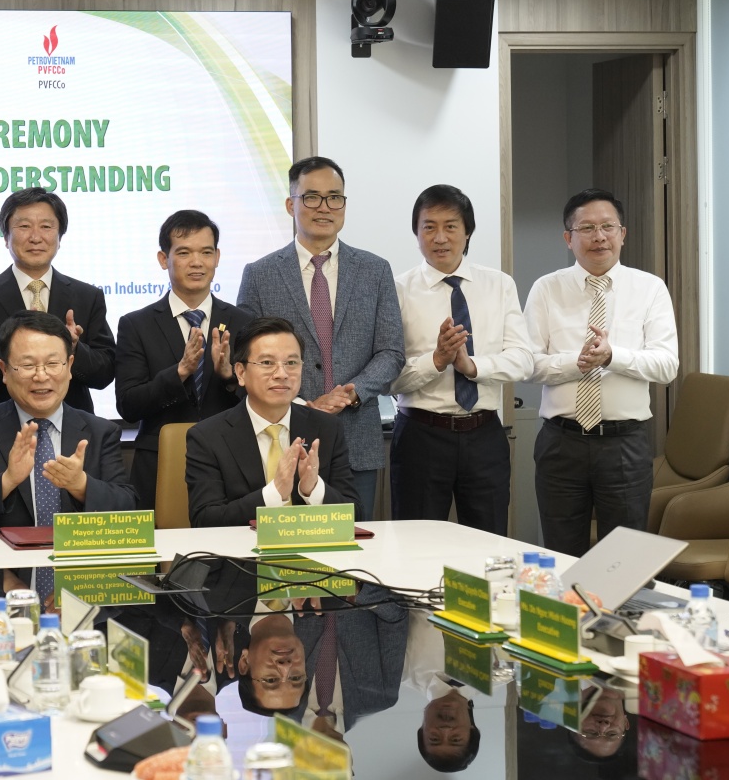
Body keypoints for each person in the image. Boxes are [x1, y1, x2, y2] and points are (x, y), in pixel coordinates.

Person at [237, 157, 404, 521]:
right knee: (281, 543)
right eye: (311, 197)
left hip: (356, 437)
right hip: (282, 438)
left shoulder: (375, 270)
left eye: (335, 197)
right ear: (290, 204)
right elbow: (248, 356)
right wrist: (300, 403)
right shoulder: (260, 274)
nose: (325, 207)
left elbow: (391, 352)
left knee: (355, 542)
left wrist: (350, 393)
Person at [524, 188, 678, 555]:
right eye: (587, 228)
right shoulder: (547, 288)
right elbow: (526, 363)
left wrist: (613, 357)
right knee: (561, 554)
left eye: (608, 227)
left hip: (624, 444)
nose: (599, 237)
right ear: (568, 238)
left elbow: (667, 365)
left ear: (623, 234)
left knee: (622, 559)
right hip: (561, 443)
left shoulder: (649, 288)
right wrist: (573, 363)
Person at [389, 185, 533, 535]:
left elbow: (523, 360)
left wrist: (473, 367)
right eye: (429, 227)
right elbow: (387, 378)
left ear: (467, 231)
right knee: (417, 544)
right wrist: (436, 360)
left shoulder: (499, 285)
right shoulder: (396, 290)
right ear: (416, 233)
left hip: (484, 434)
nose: (440, 238)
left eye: (451, 226)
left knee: (489, 541)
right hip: (420, 435)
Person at [0, 309, 136, 537]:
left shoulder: (101, 432)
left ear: (69, 366)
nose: (41, 376)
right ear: (4, 370)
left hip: (75, 557)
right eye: (28, 365)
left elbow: (128, 506)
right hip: (4, 559)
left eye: (53, 363)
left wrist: (81, 485)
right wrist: (6, 481)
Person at [115, 210, 253, 509]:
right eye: (184, 252)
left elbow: (260, 400)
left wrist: (230, 377)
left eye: (206, 252)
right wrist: (179, 373)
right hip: (160, 463)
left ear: (217, 257)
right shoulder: (136, 325)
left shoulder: (243, 322)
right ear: (163, 259)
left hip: (230, 464)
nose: (196, 262)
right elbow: (128, 405)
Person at [0, 187, 116, 413]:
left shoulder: (87, 296)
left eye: (46, 227)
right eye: (24, 226)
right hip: (2, 426)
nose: (35, 237)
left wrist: (74, 348)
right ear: (6, 237)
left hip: (73, 427)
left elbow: (106, 372)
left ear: (59, 238)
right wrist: (13, 348)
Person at [185, 317, 357, 528]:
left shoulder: (327, 428)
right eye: (267, 363)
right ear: (241, 373)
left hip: (312, 547)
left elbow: (356, 513)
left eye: (291, 363)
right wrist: (274, 493)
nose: (282, 374)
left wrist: (314, 489)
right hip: (243, 549)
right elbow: (205, 520)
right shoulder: (208, 436)